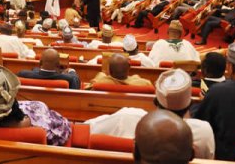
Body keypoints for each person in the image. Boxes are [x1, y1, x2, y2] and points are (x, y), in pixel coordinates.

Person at [86, 68, 215, 159]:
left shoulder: (127, 116)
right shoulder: (204, 131)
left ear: (155, 100)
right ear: (190, 104)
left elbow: (86, 129)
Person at [86, 54, 152, 89]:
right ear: (129, 68)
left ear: (109, 71)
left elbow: (87, 89)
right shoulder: (145, 84)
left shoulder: (99, 82)